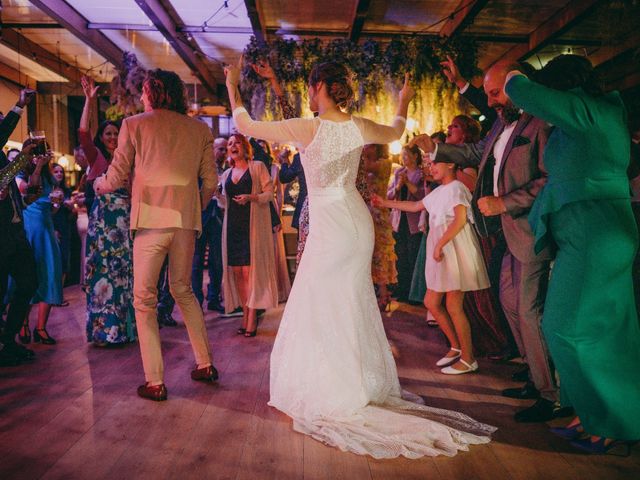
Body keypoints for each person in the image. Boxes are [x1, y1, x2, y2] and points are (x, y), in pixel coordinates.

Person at [225, 59, 495, 458]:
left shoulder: (309, 127)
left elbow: (246, 125)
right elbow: (397, 129)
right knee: (347, 301)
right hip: (355, 221)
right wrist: (402, 100)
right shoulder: (359, 125)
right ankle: (352, 382)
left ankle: (334, 388)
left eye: (311, 89)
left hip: (331, 224)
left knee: (321, 302)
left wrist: (232, 86)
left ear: (318, 87)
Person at [504, 55, 640, 453]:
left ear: (559, 86)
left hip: (595, 234)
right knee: (608, 332)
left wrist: (514, 74)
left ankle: (607, 420)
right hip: (594, 232)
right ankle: (602, 414)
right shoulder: (593, 114)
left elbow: (516, 88)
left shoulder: (585, 110)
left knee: (564, 327)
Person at [418, 58, 561, 423]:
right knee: (510, 303)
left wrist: (503, 202)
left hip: (530, 228)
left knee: (528, 310)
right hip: (502, 232)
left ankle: (552, 395)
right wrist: (435, 151)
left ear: (519, 85)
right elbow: (477, 153)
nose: (494, 102)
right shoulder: (503, 122)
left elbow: (550, 179)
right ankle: (534, 375)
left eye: (497, 93)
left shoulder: (542, 121)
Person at [95, 68, 219, 401]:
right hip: (185, 221)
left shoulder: (134, 124)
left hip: (150, 220)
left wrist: (98, 185)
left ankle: (155, 381)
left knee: (144, 300)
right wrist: (193, 204)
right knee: (184, 290)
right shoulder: (199, 130)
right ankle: (205, 363)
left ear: (150, 92)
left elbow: (117, 174)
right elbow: (211, 183)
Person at [373, 152, 490, 374]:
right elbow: (416, 206)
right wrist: (384, 202)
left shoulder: (457, 188)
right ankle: (455, 346)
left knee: (454, 305)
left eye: (436, 163)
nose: (431, 167)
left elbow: (460, 218)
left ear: (451, 163)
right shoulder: (439, 191)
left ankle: (468, 358)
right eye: (429, 163)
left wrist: (440, 244)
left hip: (453, 248)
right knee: (432, 301)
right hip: (442, 247)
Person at [78, 76, 135, 347]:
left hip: (124, 226)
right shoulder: (97, 159)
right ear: (102, 138)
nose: (112, 137)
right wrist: (90, 100)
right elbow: (82, 134)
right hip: (102, 228)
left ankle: (123, 330)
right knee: (102, 276)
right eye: (108, 133)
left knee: (124, 277)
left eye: (116, 133)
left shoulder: (129, 162)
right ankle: (102, 332)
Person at [217, 133, 278, 336]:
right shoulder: (226, 175)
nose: (233, 146)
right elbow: (224, 202)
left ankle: (251, 320)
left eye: (237, 143)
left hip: (251, 228)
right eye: (230, 144)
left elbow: (269, 194)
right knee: (237, 275)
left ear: (244, 147)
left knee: (249, 275)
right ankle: (245, 315)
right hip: (233, 228)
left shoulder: (257, 167)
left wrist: (251, 197)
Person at [0, 89, 38, 365]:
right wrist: (20, 105)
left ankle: (8, 337)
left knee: (28, 283)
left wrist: (28, 199)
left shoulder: (2, 158)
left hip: (16, 235)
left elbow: (6, 187)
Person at [15, 142, 63, 345]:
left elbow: (50, 209)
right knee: (27, 278)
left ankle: (41, 327)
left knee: (50, 275)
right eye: (35, 152)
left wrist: (56, 205)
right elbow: (28, 192)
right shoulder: (19, 176)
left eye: (42, 152)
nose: (39, 156)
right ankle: (23, 324)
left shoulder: (49, 177)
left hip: (46, 231)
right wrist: (36, 167)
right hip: (28, 231)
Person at [191, 136, 227, 312]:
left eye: (225, 149)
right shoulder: (199, 166)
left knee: (217, 260)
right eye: (220, 149)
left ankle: (214, 298)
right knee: (196, 261)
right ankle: (197, 299)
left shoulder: (227, 168)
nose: (223, 152)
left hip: (218, 218)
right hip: (200, 216)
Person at [387, 144, 425, 301]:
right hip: (399, 219)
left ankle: (412, 292)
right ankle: (401, 289)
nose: (404, 158)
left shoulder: (422, 173)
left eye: (407, 155)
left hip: (413, 221)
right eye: (402, 155)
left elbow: (422, 196)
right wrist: (397, 187)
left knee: (412, 255)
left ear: (415, 156)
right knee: (400, 254)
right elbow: (389, 195)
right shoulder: (398, 172)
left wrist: (408, 183)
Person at [361, 144, 396, 310]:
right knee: (366, 253)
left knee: (380, 252)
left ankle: (383, 294)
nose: (366, 147)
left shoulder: (384, 163)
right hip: (364, 212)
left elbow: (367, 166)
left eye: (370, 145)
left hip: (378, 213)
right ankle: (370, 293)